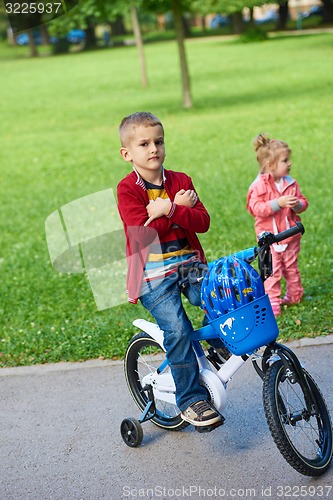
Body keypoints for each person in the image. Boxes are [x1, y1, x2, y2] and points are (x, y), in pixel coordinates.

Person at [117, 111, 222, 427]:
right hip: (152, 276)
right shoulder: (128, 190)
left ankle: (217, 345)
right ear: (127, 153)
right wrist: (176, 210)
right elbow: (144, 234)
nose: (153, 149)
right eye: (144, 144)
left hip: (189, 265)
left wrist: (170, 208)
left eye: (158, 141)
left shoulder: (181, 181)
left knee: (220, 295)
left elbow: (202, 222)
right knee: (177, 328)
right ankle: (190, 401)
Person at [246, 133, 309, 316]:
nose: (289, 163)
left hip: (289, 235)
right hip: (269, 238)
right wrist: (277, 204)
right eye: (285, 160)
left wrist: (298, 204)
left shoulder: (290, 183)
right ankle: (273, 301)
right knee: (272, 271)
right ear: (270, 165)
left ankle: (295, 294)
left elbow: (304, 202)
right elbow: (255, 208)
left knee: (291, 266)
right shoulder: (258, 186)